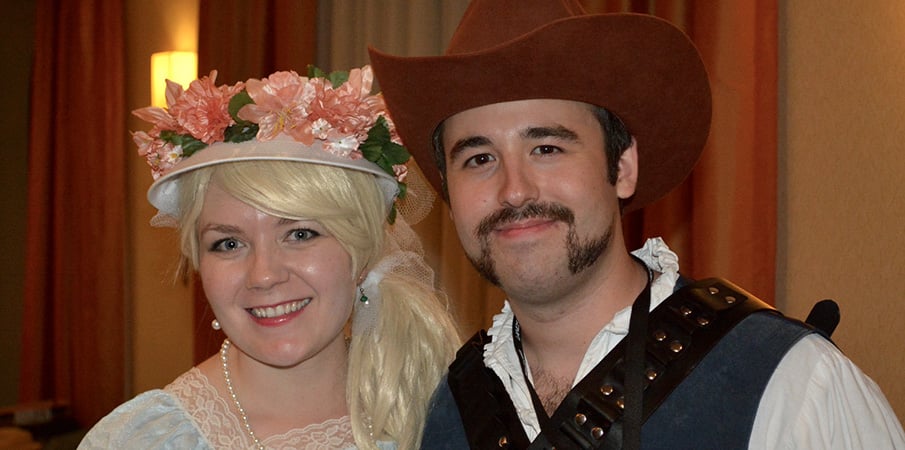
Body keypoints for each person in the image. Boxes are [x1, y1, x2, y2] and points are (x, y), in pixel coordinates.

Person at [368, 0, 905, 448]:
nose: (514, 189)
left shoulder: (791, 382)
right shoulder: (443, 412)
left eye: (547, 147)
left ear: (621, 167)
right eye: (479, 159)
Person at [79, 65, 460, 449]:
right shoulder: (144, 439)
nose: (263, 275)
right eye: (229, 244)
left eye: (299, 234)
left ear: (361, 254)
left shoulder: (436, 413)